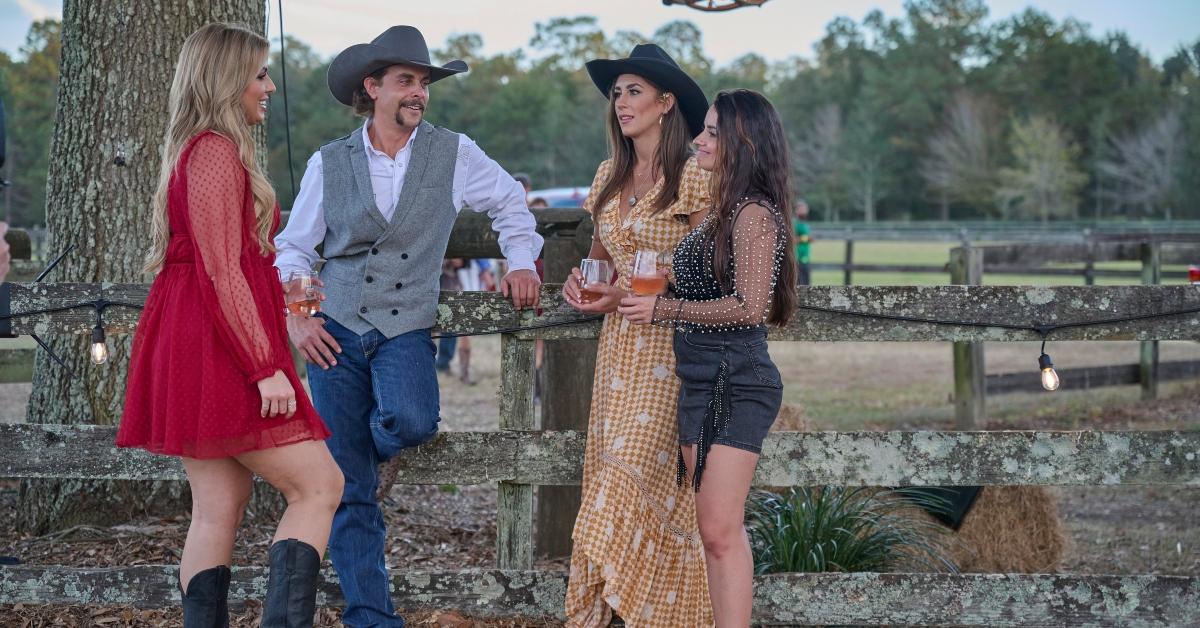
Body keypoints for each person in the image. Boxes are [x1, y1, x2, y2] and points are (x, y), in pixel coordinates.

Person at [274, 25, 543, 627]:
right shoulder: (329, 161)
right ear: (372, 88)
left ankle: (367, 452)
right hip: (334, 333)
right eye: (405, 82)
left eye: (423, 83)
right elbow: (294, 247)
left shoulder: (455, 152)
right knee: (350, 494)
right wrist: (297, 318)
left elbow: (509, 202)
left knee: (413, 421)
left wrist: (521, 261)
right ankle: (372, 616)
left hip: (405, 327)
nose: (418, 93)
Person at [116, 23, 343, 627]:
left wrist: (276, 283)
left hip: (199, 335)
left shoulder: (200, 147)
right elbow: (220, 271)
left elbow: (226, 264)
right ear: (227, 79)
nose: (268, 86)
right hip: (223, 348)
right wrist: (266, 366)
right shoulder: (214, 149)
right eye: (260, 74)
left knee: (219, 506)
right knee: (319, 486)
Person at [619, 89, 798, 627]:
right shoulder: (723, 210)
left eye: (713, 131)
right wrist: (618, 294)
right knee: (712, 531)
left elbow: (749, 307)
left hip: (738, 381)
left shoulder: (754, 215)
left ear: (744, 142)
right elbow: (687, 281)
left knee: (720, 531)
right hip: (701, 380)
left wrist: (663, 309)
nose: (699, 138)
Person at [560, 43, 714, 627]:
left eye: (634, 91)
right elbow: (603, 260)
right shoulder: (609, 174)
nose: (620, 102)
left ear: (666, 101)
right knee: (609, 475)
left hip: (671, 349)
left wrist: (640, 291)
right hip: (618, 351)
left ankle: (662, 613)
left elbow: (713, 271)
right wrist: (584, 286)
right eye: (616, 92)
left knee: (625, 480)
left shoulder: (695, 178)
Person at [794, 199, 812, 285]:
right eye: (801, 209)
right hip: (797, 260)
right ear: (796, 210)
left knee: (807, 286)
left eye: (805, 209)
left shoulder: (806, 224)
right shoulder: (794, 223)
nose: (804, 211)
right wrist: (806, 239)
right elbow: (792, 239)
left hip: (806, 259)